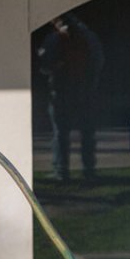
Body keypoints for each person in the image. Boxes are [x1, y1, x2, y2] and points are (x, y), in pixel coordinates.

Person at [36, 13, 104, 182]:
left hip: (61, 91)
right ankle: (89, 171)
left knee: (61, 134)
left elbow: (44, 65)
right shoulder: (89, 36)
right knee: (87, 133)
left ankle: (61, 172)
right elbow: (99, 61)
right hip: (85, 90)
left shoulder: (54, 38)